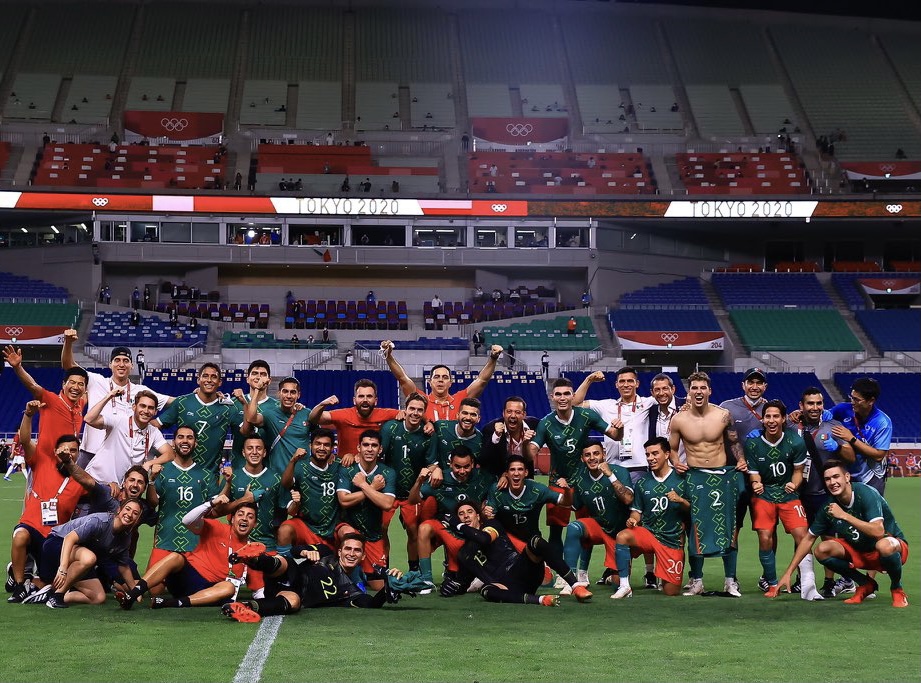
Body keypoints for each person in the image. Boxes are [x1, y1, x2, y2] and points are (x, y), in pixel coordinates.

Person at [527, 378, 622, 587]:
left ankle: (582, 572)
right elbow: (531, 452)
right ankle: (560, 573)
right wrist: (527, 443)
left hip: (583, 481)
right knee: (556, 530)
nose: (562, 398)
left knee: (584, 529)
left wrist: (619, 428)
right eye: (558, 394)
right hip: (556, 481)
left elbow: (615, 435)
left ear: (573, 397)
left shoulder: (586, 415)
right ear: (552, 397)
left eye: (566, 394)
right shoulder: (546, 422)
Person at [775, 460, 908, 608]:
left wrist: (844, 516)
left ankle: (897, 588)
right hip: (859, 549)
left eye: (836, 477)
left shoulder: (865, 493)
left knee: (884, 545)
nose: (832, 482)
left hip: (891, 545)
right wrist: (788, 572)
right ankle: (865, 584)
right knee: (822, 550)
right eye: (827, 479)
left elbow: (878, 531)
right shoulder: (828, 507)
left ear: (847, 477)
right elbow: (808, 539)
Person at [219, 533, 426, 621]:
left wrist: (388, 588)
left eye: (357, 551)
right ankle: (251, 559)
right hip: (290, 572)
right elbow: (295, 549)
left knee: (294, 603)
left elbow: (371, 604)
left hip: (289, 593)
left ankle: (245, 607)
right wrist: (305, 553)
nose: (351, 553)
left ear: (363, 555)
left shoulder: (351, 591)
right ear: (340, 550)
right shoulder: (325, 552)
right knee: (283, 563)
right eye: (348, 549)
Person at [668, 371, 747, 597]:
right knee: (696, 530)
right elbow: (672, 448)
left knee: (729, 528)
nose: (699, 392)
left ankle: (730, 581)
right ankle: (697, 581)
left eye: (703, 388)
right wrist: (675, 461)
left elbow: (734, 441)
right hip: (695, 476)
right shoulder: (679, 419)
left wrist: (740, 459)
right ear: (689, 392)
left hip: (723, 476)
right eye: (694, 388)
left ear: (709, 391)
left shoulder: (723, 415)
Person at [117, 498, 265, 610]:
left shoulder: (252, 551)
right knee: (176, 557)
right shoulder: (217, 527)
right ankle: (133, 594)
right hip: (187, 576)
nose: (244, 518)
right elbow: (187, 520)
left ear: (255, 524)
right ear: (232, 519)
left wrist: (264, 604)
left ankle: (170, 603)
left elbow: (259, 592)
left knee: (229, 588)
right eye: (240, 514)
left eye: (250, 517)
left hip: (209, 591)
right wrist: (211, 503)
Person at [61, 334, 169, 475]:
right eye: (117, 360)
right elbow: (69, 365)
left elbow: (173, 402)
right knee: (78, 494)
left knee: (118, 494)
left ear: (132, 365)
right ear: (110, 364)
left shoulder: (141, 391)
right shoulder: (96, 381)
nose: (121, 364)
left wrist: (159, 421)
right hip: (90, 452)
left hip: (120, 457)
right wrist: (68, 342)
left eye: (126, 360)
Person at [452, 500, 589, 606]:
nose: (466, 516)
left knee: (536, 541)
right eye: (461, 514)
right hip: (508, 588)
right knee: (486, 591)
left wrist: (459, 526)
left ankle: (576, 586)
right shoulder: (464, 554)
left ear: (477, 515)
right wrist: (450, 587)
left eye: (469, 512)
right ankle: (541, 600)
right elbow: (463, 583)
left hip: (522, 570)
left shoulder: (491, 525)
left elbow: (484, 539)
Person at [788, 386, 855, 598]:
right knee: (801, 538)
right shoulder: (791, 426)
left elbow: (851, 457)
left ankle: (829, 582)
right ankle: (803, 580)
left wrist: (837, 447)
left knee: (829, 539)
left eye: (818, 403)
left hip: (825, 494)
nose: (815, 407)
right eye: (810, 403)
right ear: (801, 406)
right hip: (800, 493)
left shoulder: (833, 427)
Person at [24, 497, 145, 609]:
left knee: (98, 597)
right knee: (90, 558)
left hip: (80, 556)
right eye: (127, 509)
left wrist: (136, 593)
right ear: (119, 510)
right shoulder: (100, 521)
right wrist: (63, 568)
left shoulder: (126, 536)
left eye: (135, 513)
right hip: (57, 543)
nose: (129, 514)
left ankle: (51, 594)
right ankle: (57, 595)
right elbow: (69, 539)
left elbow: (123, 566)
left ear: (138, 519)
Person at [743, 400, 811, 598]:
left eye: (775, 416)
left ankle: (807, 582)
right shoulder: (753, 443)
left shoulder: (795, 441)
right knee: (765, 537)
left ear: (783, 419)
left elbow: (798, 471)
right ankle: (772, 583)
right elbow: (754, 473)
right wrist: (755, 483)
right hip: (764, 495)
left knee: (802, 536)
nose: (771, 420)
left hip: (789, 494)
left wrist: (794, 483)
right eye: (768, 416)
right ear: (763, 419)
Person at [408, 445, 495, 592]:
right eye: (457, 467)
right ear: (450, 464)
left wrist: (504, 479)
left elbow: (497, 486)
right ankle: (427, 580)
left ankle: (463, 571)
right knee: (424, 528)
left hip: (470, 533)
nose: (462, 471)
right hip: (445, 528)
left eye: (467, 466)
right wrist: (419, 481)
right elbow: (412, 500)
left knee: (459, 576)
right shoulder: (438, 479)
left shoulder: (483, 477)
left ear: (473, 464)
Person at [612, 437, 690, 598]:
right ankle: (625, 585)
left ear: (667, 454)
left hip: (671, 539)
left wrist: (680, 500)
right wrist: (633, 519)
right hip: (648, 534)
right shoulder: (642, 482)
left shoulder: (682, 480)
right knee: (623, 536)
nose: (650, 458)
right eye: (647, 455)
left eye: (655, 453)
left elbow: (694, 510)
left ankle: (662, 573)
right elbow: (636, 511)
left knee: (671, 592)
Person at [562, 441, 633, 593]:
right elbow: (574, 506)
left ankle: (612, 576)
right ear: (582, 458)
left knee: (617, 585)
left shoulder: (619, 471)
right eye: (587, 455)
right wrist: (566, 491)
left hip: (620, 534)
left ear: (604, 454)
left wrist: (610, 476)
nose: (592, 458)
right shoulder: (580, 479)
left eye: (596, 453)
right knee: (574, 527)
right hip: (598, 528)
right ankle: (571, 581)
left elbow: (628, 499)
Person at [381, 340, 503, 421]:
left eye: (445, 377)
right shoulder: (420, 400)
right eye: (436, 377)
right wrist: (389, 356)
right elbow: (402, 378)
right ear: (429, 382)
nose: (440, 380)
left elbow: (482, 380)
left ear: (451, 382)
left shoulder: (460, 399)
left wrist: (493, 358)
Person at [379, 393, 434, 572]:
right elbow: (379, 457)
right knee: (382, 527)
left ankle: (413, 570)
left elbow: (432, 464)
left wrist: (429, 472)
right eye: (412, 409)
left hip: (412, 490)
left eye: (420, 410)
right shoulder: (390, 428)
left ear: (424, 413)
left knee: (412, 530)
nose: (415, 413)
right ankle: (383, 567)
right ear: (405, 409)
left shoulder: (428, 435)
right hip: (389, 489)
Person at [336, 430, 396, 588]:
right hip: (350, 527)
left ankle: (361, 575)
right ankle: (351, 577)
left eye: (374, 445)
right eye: (366, 445)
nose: (370, 449)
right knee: (346, 532)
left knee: (380, 586)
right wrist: (374, 488)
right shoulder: (347, 469)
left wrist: (364, 485)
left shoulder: (388, 472)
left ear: (380, 449)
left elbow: (387, 503)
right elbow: (343, 500)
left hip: (373, 536)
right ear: (359, 447)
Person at [573, 368, 656, 479]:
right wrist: (589, 379)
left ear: (637, 384)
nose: (626, 385)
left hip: (639, 466)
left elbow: (669, 399)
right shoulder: (607, 406)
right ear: (616, 385)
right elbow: (575, 403)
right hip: (612, 467)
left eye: (630, 381)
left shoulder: (647, 402)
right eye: (622, 381)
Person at [82, 386, 174, 485]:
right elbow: (89, 419)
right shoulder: (119, 421)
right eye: (142, 406)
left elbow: (170, 454)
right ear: (134, 407)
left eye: (151, 408)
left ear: (155, 412)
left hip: (122, 489)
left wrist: (150, 463)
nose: (146, 411)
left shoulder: (153, 432)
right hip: (97, 481)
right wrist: (108, 396)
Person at [154, 363, 234, 475]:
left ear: (220, 382)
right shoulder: (182, 402)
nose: (209, 380)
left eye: (214, 377)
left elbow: (245, 429)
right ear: (198, 380)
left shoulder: (228, 408)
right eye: (205, 376)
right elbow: (155, 425)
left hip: (210, 477)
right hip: (180, 474)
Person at [278, 429, 342, 555]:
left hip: (332, 527)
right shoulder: (300, 467)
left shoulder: (339, 466)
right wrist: (293, 461)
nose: (322, 448)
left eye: (326, 445)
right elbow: (285, 483)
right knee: (285, 530)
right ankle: (286, 567)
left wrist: (351, 456)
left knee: (349, 534)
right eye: (318, 444)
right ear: (310, 445)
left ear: (333, 448)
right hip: (306, 525)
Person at [309, 380, 401, 461]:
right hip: (345, 467)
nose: (365, 400)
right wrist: (323, 404)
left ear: (375, 400)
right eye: (361, 396)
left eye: (369, 396)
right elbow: (314, 418)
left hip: (373, 467)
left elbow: (410, 414)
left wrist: (403, 414)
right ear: (354, 400)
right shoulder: (344, 415)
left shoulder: (385, 414)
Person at [830, 377, 892, 496]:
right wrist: (801, 414)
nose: (852, 402)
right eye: (852, 397)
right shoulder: (843, 409)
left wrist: (851, 438)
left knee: (870, 512)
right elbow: (823, 417)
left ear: (871, 401)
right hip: (846, 473)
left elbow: (879, 455)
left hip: (871, 476)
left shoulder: (882, 422)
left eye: (857, 400)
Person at [479, 396, 539, 478]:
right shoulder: (490, 429)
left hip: (525, 479)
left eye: (517, 412)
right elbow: (483, 460)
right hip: (499, 479)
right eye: (509, 411)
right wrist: (496, 436)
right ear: (503, 413)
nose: (513, 416)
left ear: (524, 414)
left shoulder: (534, 425)